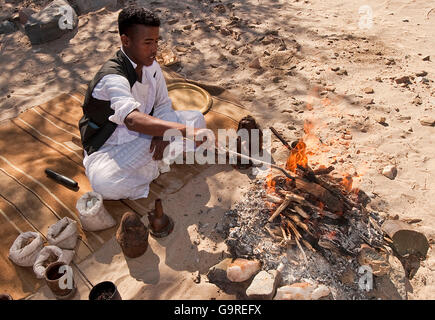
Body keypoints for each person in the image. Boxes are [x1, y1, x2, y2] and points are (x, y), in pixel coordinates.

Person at [78, 6, 208, 200]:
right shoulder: (112, 78)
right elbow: (132, 120)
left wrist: (162, 131)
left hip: (145, 137)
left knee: (197, 118)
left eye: (156, 41)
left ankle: (151, 165)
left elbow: (163, 104)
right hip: (112, 147)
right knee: (104, 185)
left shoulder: (152, 66)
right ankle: (155, 167)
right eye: (148, 42)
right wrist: (177, 131)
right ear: (125, 40)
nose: (155, 49)